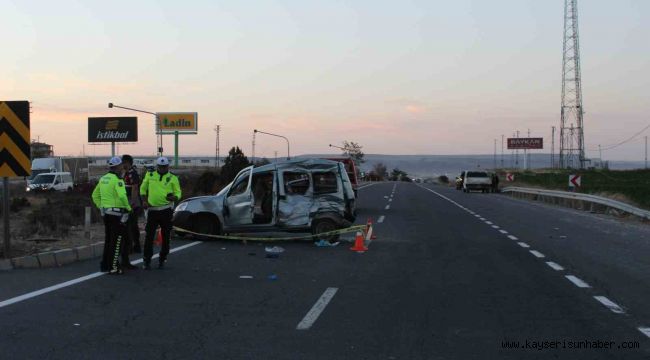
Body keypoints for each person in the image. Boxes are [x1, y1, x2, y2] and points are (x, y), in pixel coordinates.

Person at [91, 156, 132, 274]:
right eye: (121, 166)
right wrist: (128, 208)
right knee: (117, 241)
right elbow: (122, 196)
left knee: (109, 240)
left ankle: (105, 265)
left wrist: (101, 207)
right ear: (118, 167)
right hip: (117, 215)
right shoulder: (117, 180)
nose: (122, 168)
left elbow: (94, 195)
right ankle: (114, 267)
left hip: (107, 214)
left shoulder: (103, 179)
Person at [140, 157, 182, 269]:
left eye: (164, 166)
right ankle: (146, 260)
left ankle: (162, 258)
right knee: (149, 236)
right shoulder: (150, 175)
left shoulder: (173, 178)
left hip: (166, 210)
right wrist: (144, 200)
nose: (162, 168)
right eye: (160, 166)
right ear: (157, 166)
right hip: (152, 211)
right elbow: (142, 189)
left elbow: (178, 192)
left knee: (166, 236)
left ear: (168, 166)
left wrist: (175, 197)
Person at [121, 155, 142, 255]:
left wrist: (133, 203)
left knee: (131, 225)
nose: (123, 164)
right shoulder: (125, 173)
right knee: (129, 225)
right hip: (126, 201)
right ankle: (132, 246)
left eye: (124, 163)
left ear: (128, 163)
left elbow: (134, 188)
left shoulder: (133, 173)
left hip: (133, 202)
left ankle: (135, 246)